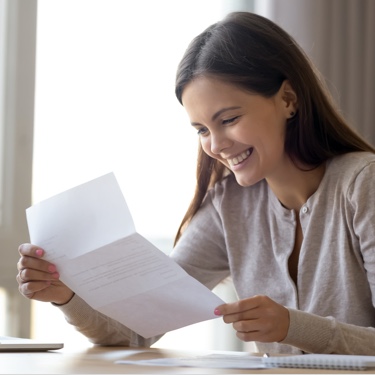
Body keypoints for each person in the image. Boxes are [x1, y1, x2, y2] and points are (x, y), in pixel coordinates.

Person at [17, 11, 375, 355]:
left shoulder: (363, 184)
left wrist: (292, 327)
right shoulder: (229, 205)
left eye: (229, 119)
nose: (216, 145)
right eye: (202, 129)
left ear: (287, 99)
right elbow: (138, 330)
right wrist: (65, 295)